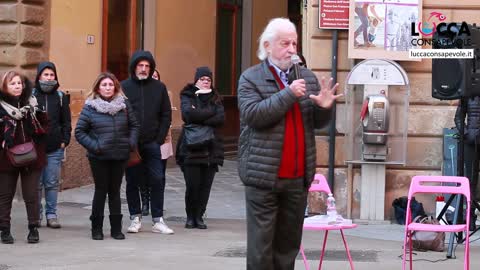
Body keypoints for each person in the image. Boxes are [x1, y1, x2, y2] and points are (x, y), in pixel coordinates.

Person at [237, 18, 342, 269]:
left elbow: (316, 123)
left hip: (297, 179)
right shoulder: (251, 78)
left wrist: (326, 109)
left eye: (295, 43)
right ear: (268, 46)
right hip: (263, 179)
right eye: (285, 43)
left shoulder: (306, 78)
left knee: (288, 248)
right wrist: (287, 93)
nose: (292, 49)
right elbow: (253, 115)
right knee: (261, 250)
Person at [75, 72, 139, 240]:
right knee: (101, 190)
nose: (108, 88)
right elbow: (79, 132)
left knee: (115, 191)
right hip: (99, 157)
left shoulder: (124, 105)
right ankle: (96, 229)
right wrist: (96, 147)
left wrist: (130, 143)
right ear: (98, 87)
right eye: (104, 85)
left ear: (116, 87)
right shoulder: (90, 107)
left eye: (111, 85)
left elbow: (134, 126)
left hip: (120, 154)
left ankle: (116, 229)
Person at [121, 50, 173, 234]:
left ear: (151, 69)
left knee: (157, 179)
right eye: (140, 65)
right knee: (132, 181)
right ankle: (135, 217)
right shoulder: (124, 87)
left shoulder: (159, 88)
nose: (143, 69)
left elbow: (166, 114)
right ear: (134, 67)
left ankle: (158, 219)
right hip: (132, 144)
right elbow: (120, 113)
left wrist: (159, 139)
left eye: (147, 66)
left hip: (152, 143)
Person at [0, 71, 48, 244]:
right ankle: (4, 230)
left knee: (31, 194)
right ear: (4, 86)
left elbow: (44, 127)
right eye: (12, 83)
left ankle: (33, 228)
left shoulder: (32, 104)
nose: (17, 86)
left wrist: (37, 143)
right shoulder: (1, 108)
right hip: (5, 158)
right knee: (5, 195)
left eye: (19, 83)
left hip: (31, 156)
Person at [176, 66, 224, 229]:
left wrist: (199, 116)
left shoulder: (216, 97)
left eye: (208, 80)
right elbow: (188, 115)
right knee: (192, 185)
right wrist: (209, 113)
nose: (205, 82)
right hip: (191, 147)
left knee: (205, 185)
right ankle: (190, 216)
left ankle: (199, 216)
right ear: (196, 80)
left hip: (211, 148)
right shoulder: (187, 94)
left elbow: (221, 119)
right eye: (202, 79)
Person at [33, 61, 72, 229]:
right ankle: (37, 215)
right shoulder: (32, 95)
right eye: (45, 74)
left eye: (52, 75)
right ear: (39, 76)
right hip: (34, 149)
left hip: (55, 148)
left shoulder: (60, 97)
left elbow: (66, 121)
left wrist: (65, 141)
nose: (49, 78)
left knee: (52, 182)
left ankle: (51, 214)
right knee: (35, 184)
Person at [139, 69, 174, 217]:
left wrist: (160, 137)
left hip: (163, 138)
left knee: (159, 174)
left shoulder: (165, 93)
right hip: (145, 139)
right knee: (143, 172)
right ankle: (145, 203)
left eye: (155, 76)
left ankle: (157, 203)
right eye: (151, 76)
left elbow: (168, 116)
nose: (153, 78)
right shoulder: (141, 93)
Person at [455, 97, 480, 231]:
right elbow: (458, 118)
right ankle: (470, 218)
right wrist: (466, 134)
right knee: (470, 180)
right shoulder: (467, 95)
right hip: (471, 143)